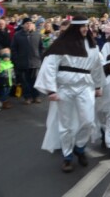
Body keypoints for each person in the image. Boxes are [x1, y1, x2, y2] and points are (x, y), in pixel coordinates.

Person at [35, 15, 105, 173]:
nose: (85, 29)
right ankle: (67, 156)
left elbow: (96, 67)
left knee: (88, 121)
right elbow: (50, 66)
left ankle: (79, 147)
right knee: (65, 124)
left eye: (86, 26)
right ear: (75, 28)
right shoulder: (61, 44)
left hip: (85, 87)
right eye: (82, 26)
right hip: (65, 88)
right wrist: (51, 90)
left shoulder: (92, 46)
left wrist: (98, 86)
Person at [11, 17, 43, 105]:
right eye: (27, 23)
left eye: (30, 23)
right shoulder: (17, 35)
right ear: (23, 25)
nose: (29, 25)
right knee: (25, 81)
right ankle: (27, 97)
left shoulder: (37, 34)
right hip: (22, 62)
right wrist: (16, 59)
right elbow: (13, 49)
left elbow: (41, 48)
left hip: (35, 62)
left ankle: (36, 96)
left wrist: (39, 57)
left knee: (35, 80)